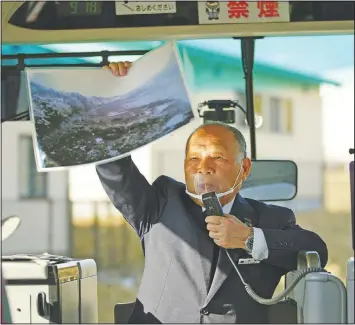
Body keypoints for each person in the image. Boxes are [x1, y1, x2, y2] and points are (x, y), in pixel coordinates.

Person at [96, 61, 328, 324]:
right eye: (193, 158)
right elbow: (113, 169)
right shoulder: (159, 203)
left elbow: (317, 251)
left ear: (245, 167)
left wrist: (248, 239)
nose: (203, 168)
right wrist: (111, 96)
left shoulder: (270, 219)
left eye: (217, 157)